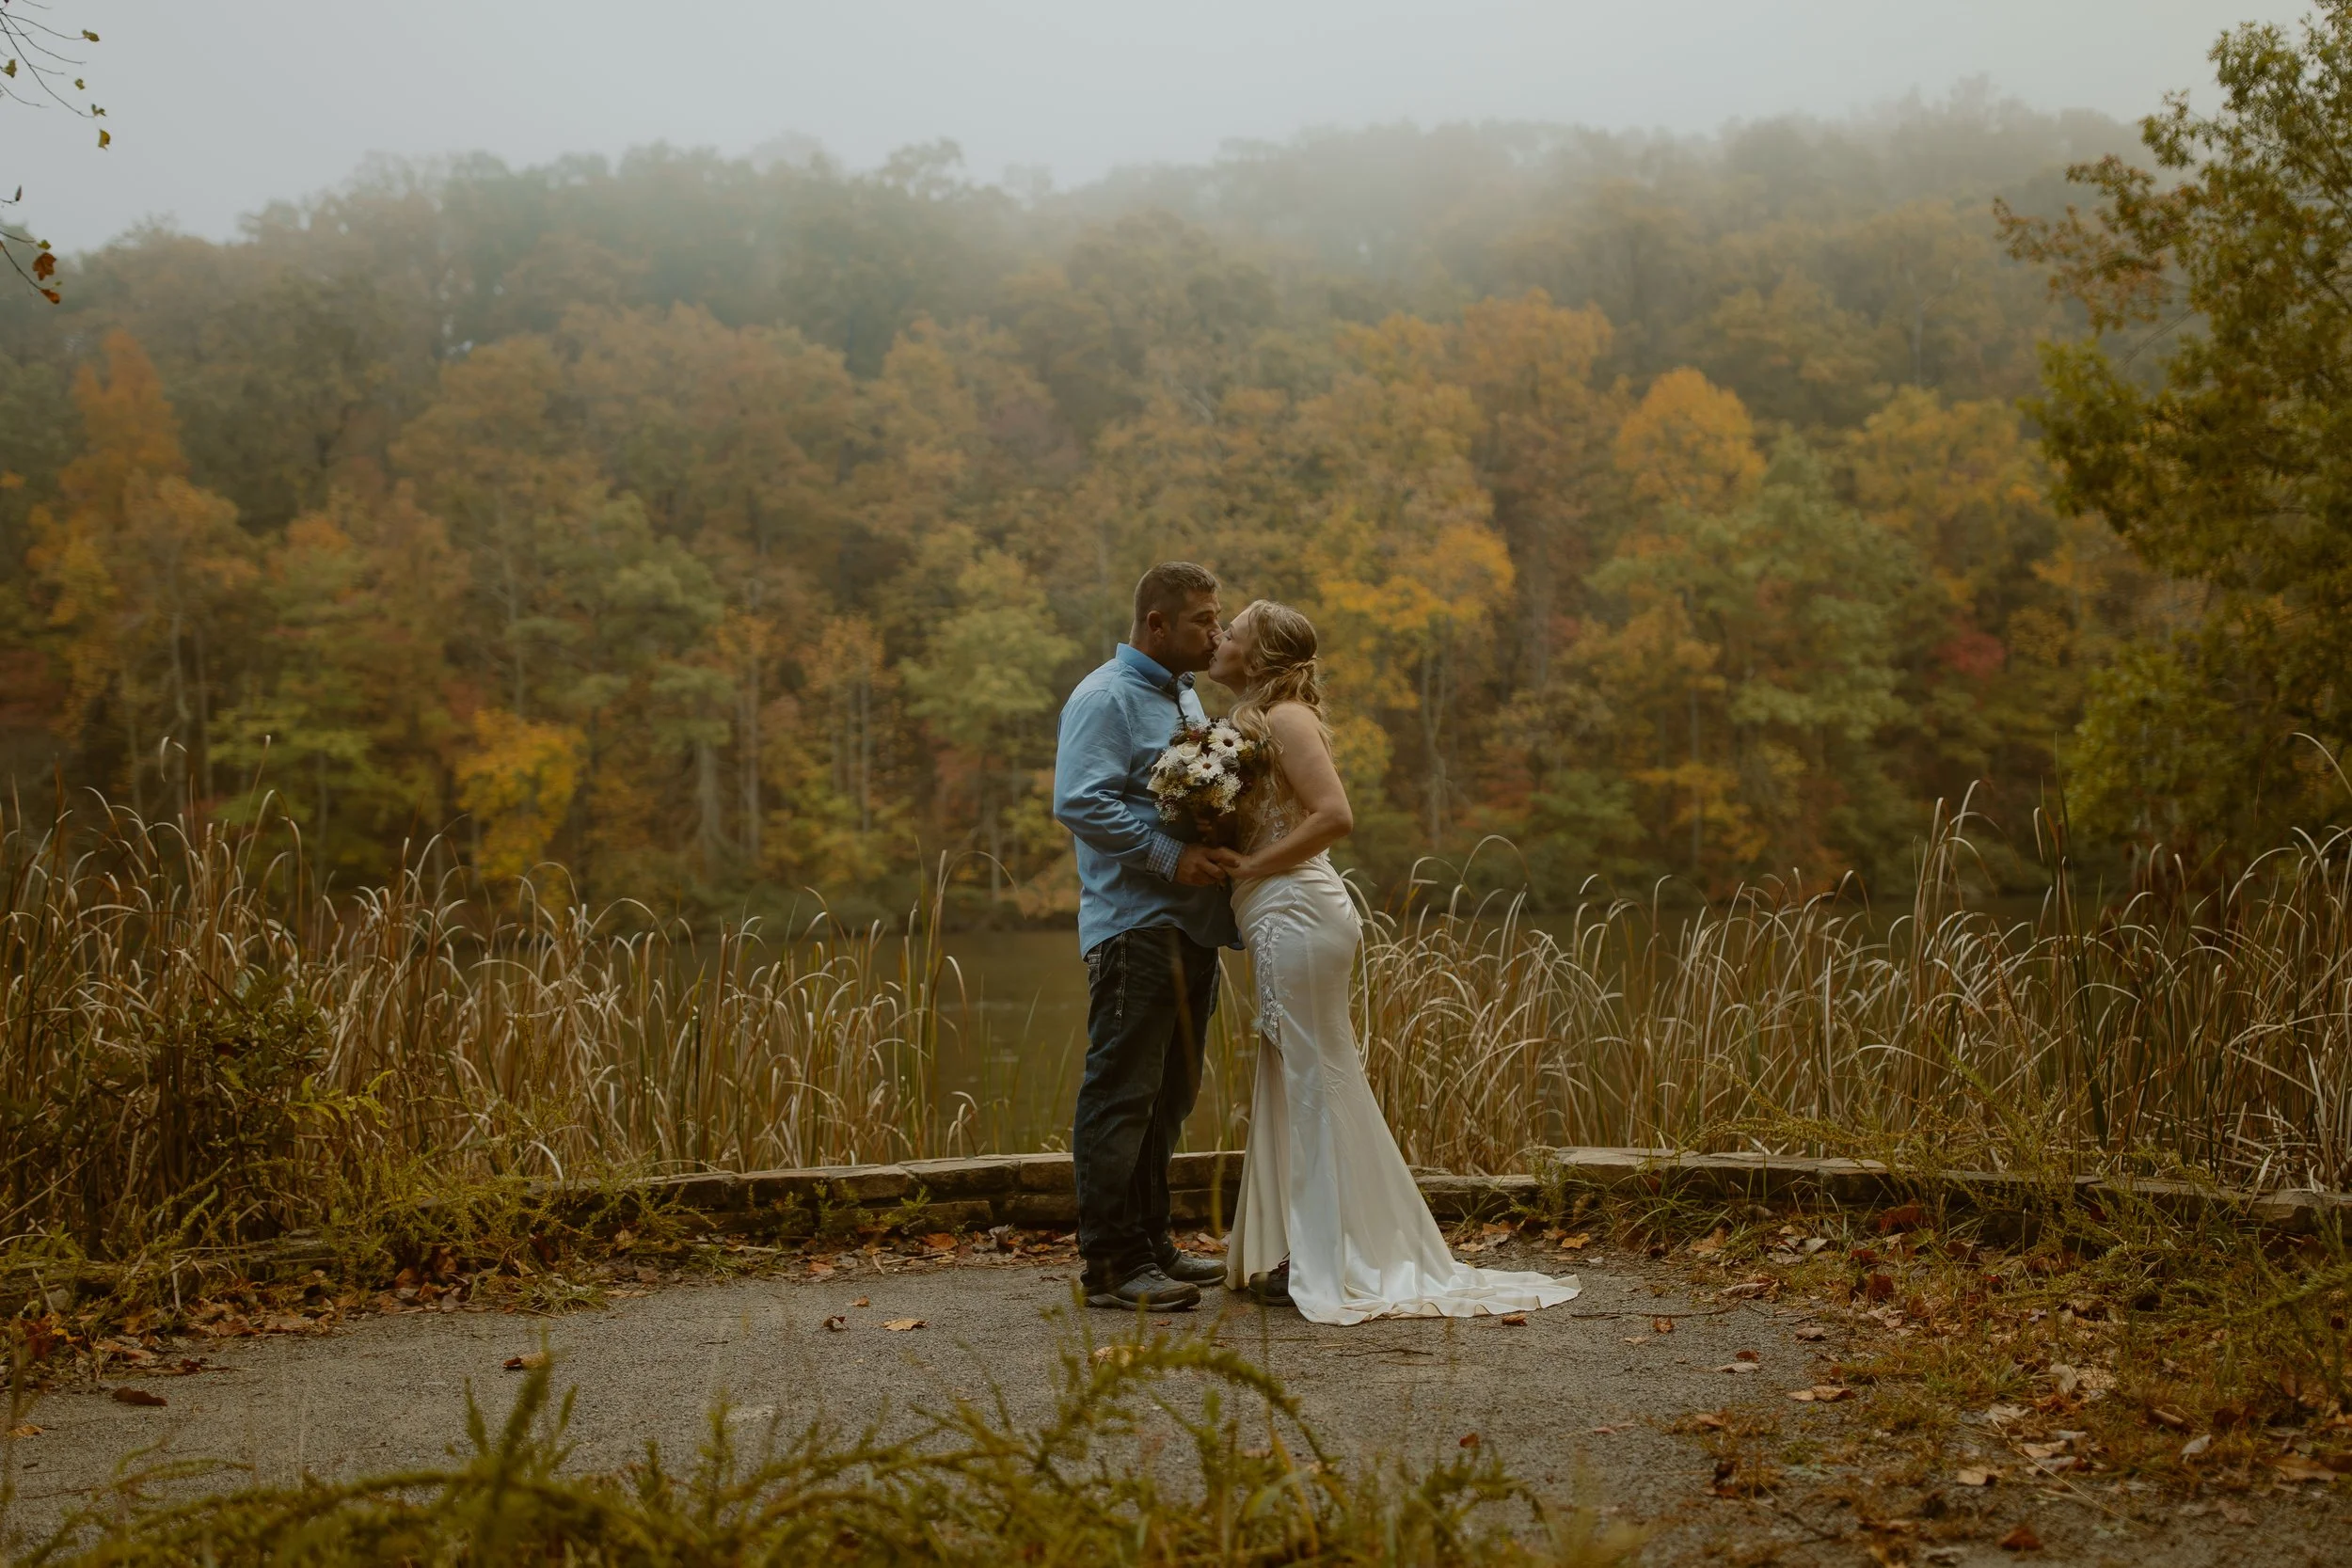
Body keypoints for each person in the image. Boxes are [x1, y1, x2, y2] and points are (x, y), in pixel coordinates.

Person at [1207, 599, 1581, 1325]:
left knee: (1314, 1077)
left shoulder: (1285, 717)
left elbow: (1333, 816)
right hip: (1274, 910)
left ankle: (1333, 1257)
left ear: (1257, 656)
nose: (1221, 639)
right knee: (1297, 1076)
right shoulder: (1254, 722)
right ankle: (1309, 1247)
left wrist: (1250, 861)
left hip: (1298, 910)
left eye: (1234, 632)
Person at [1050, 562, 1243, 1310]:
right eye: (1202, 618)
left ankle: (1152, 1240)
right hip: (1135, 927)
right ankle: (1111, 1263)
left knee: (1168, 1096)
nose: (1215, 631)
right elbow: (1081, 802)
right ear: (1156, 623)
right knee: (1122, 1093)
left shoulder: (1183, 694)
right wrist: (1172, 855)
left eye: (1217, 616)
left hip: (1192, 927)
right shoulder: (1104, 697)